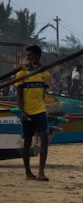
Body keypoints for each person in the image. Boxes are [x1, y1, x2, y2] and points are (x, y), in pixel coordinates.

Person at [15, 45, 51, 181]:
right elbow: (19, 95)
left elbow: (43, 93)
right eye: (27, 56)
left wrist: (41, 105)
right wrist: (22, 111)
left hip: (40, 110)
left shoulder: (44, 74)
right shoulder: (21, 73)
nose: (28, 58)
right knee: (27, 141)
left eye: (31, 55)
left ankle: (41, 172)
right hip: (27, 112)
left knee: (44, 138)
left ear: (37, 56)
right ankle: (28, 173)